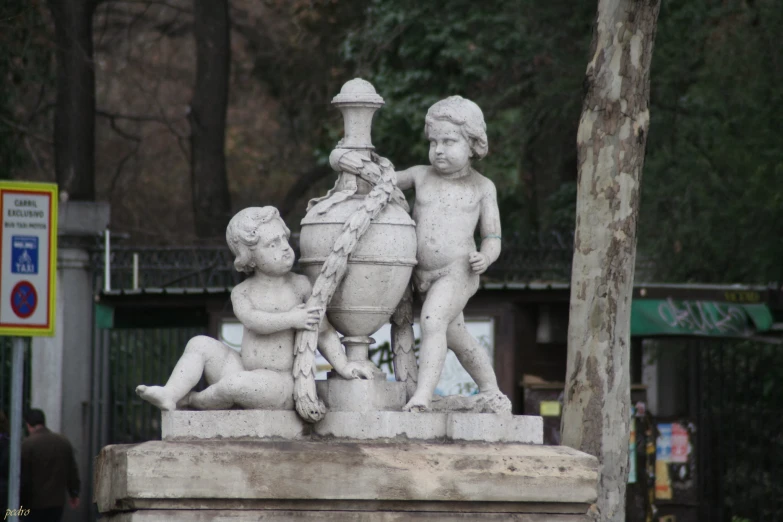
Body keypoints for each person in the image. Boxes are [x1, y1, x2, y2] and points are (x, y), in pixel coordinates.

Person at [137, 206, 374, 411]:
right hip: (241, 367)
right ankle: (171, 393)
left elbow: (323, 331)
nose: (284, 248)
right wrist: (292, 318)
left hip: (280, 383)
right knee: (199, 343)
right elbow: (255, 321)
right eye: (272, 244)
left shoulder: (300, 285)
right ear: (249, 256)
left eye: (284, 239)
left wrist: (343, 365)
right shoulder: (243, 292)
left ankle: (194, 400)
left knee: (235, 385)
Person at [392, 96, 512, 412]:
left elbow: (493, 236)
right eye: (434, 142)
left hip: (458, 270)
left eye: (449, 141)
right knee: (457, 335)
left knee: (432, 321)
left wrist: (485, 258)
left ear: (473, 144)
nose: (439, 150)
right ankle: (491, 389)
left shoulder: (482, 187)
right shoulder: (420, 175)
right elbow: (385, 181)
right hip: (420, 274)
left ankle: (423, 396)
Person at [20, 409, 80, 522]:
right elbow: (72, 470)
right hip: (56, 503)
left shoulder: (27, 445)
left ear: (28, 424)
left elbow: (23, 475)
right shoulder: (63, 442)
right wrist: (74, 493)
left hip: (33, 504)